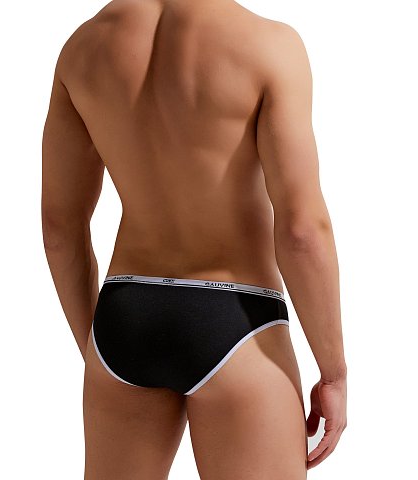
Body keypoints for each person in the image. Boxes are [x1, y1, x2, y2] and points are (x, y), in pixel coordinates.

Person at [41, 0, 347, 478]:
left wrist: (97, 352)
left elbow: (60, 227)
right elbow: (302, 230)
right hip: (239, 324)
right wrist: (334, 373)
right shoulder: (268, 45)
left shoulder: (83, 47)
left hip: (124, 317)